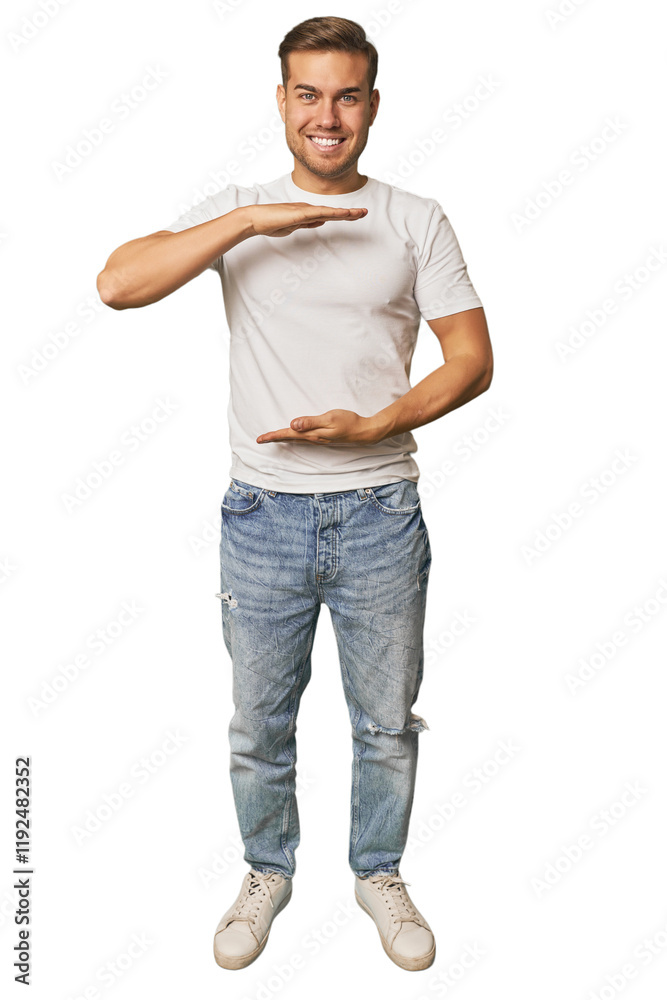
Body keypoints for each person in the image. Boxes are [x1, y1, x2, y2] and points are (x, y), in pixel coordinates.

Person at [96, 15, 493, 974]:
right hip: (262, 516)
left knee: (386, 722)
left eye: (347, 95)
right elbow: (116, 284)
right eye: (308, 94)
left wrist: (376, 422)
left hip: (380, 514)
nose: (328, 115)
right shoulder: (236, 210)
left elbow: (472, 360)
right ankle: (266, 871)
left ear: (372, 105)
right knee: (259, 723)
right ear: (281, 101)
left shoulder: (414, 218)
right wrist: (246, 223)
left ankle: (376, 872)